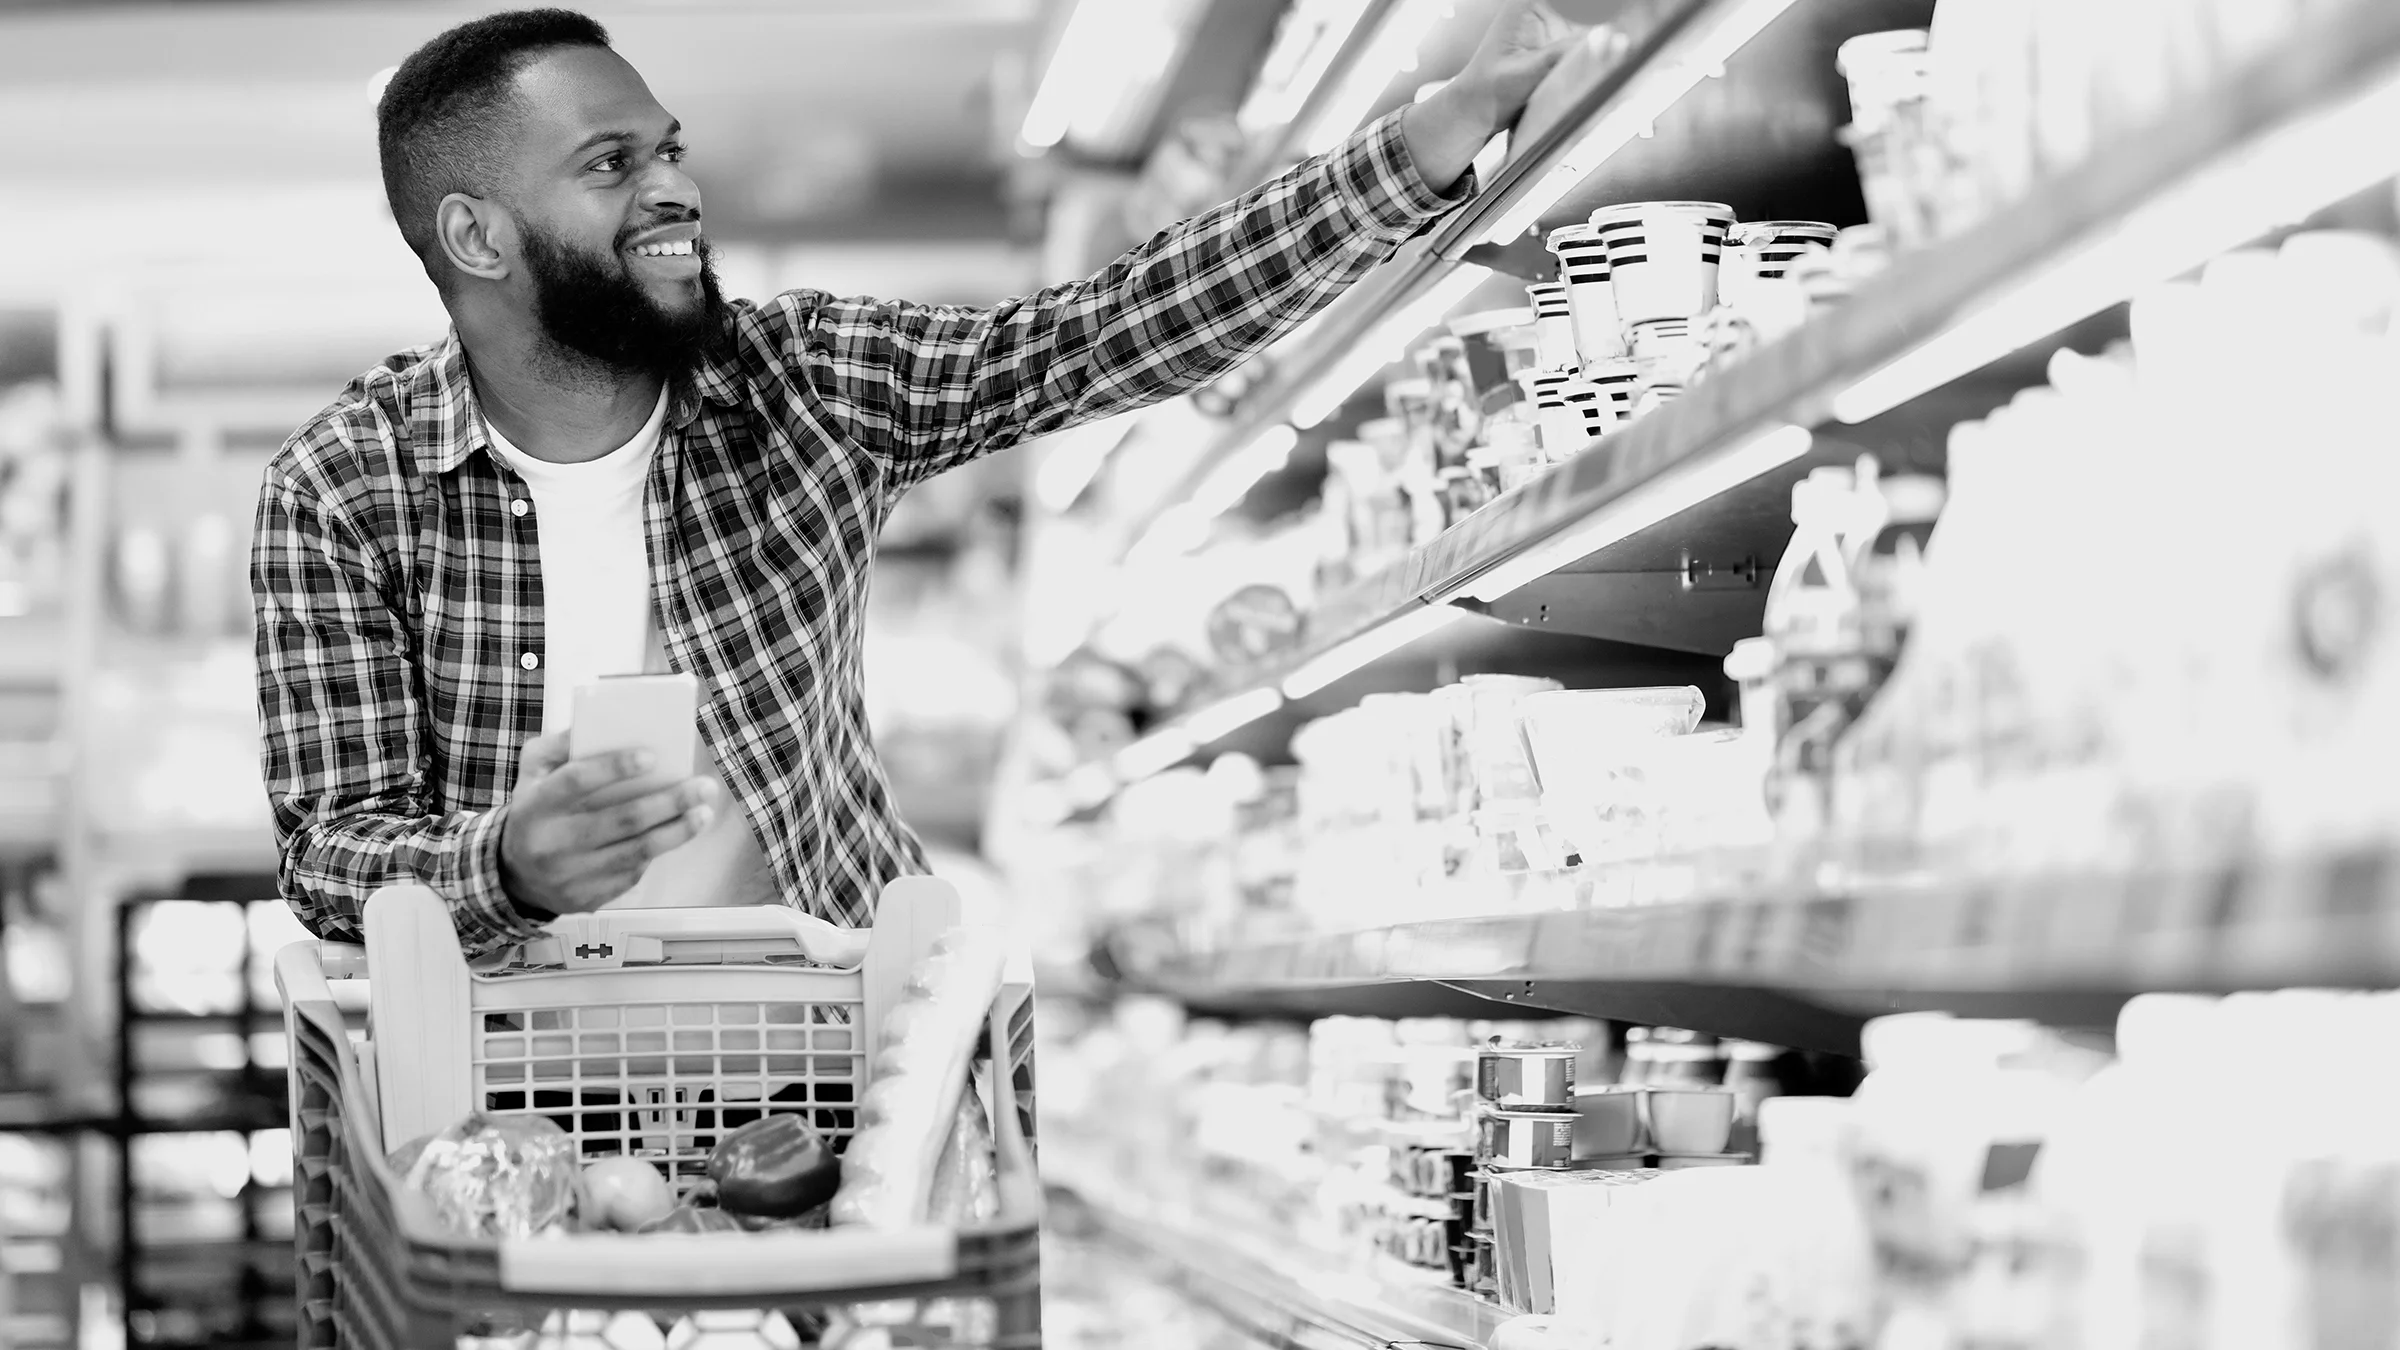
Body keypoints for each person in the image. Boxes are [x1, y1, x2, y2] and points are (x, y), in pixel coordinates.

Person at [252, 3, 1585, 956]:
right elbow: (330, 854)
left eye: (668, 149)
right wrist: (507, 864)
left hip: (828, 1061)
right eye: (612, 165)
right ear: (476, 234)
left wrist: (1417, 150)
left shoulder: (799, 382)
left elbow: (1086, 337)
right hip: (510, 1095)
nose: (674, 189)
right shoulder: (345, 493)